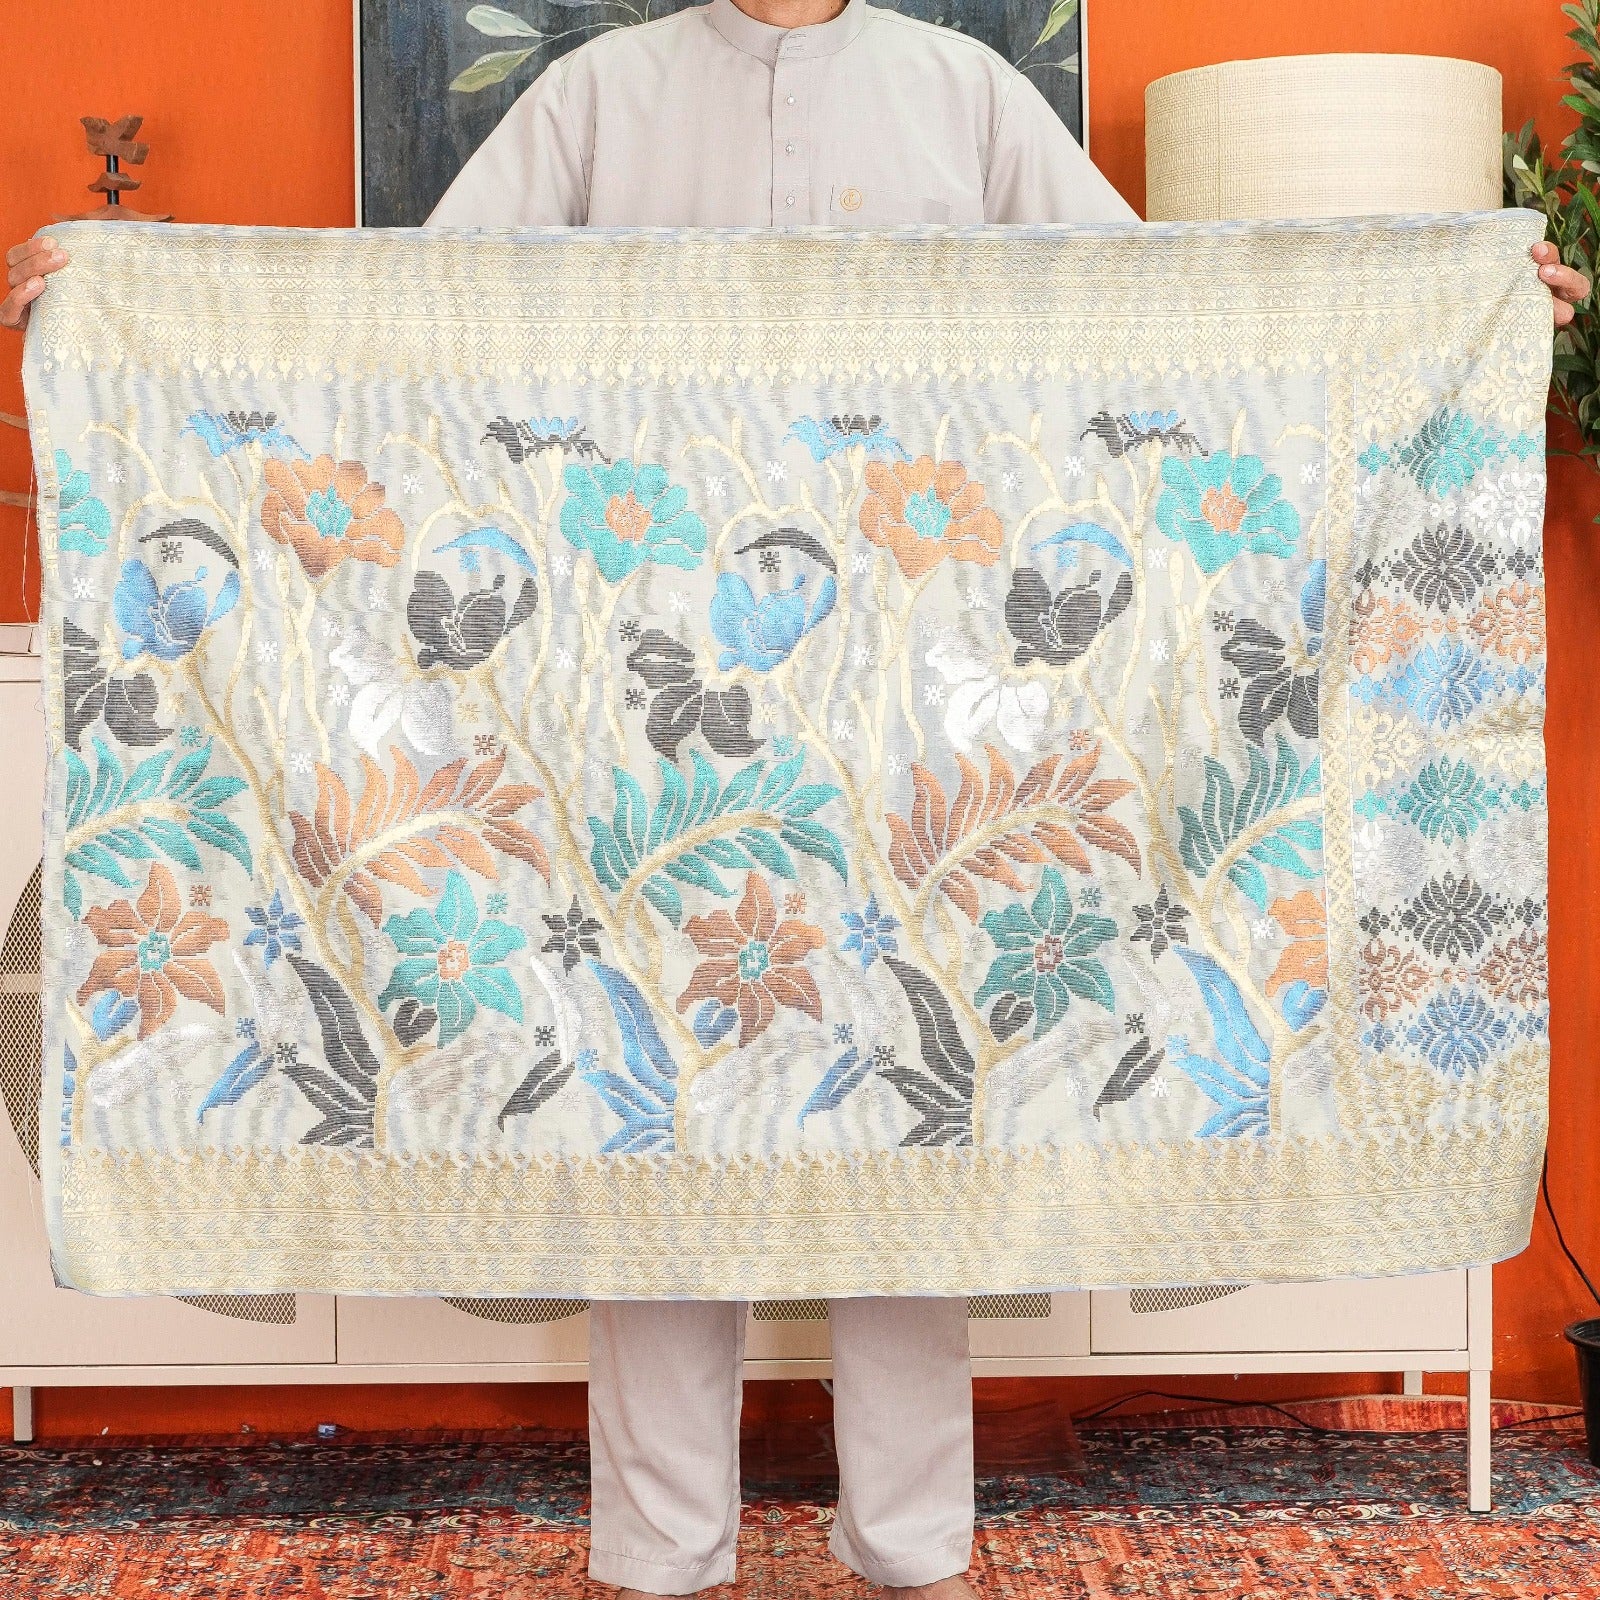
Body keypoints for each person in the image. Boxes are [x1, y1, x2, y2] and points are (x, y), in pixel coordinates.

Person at [2, 4, 1589, 1598]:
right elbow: (401, 334)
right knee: (646, 1151)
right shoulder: (598, 99)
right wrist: (124, 303)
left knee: (920, 1136)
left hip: (913, 732)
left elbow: (1170, 325)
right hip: (645, 730)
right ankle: (660, 1554)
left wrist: (1461, 299)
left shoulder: (968, 97)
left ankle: (914, 1549)